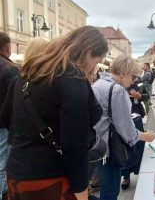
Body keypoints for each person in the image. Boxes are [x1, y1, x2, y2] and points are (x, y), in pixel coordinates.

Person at [1, 26, 108, 200]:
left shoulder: (29, 71)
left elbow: (6, 118)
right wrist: (81, 192)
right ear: (88, 52)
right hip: (50, 179)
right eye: (96, 62)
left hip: (17, 174)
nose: (93, 69)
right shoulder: (73, 78)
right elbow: (75, 143)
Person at [92, 54, 155, 200]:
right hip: (110, 148)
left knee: (106, 189)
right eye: (133, 77)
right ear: (123, 74)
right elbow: (125, 128)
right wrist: (143, 136)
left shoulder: (97, 84)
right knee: (110, 192)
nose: (133, 81)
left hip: (97, 146)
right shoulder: (117, 90)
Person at [121, 76, 149, 190]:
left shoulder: (140, 83)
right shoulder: (120, 83)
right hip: (123, 117)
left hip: (137, 115)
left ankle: (141, 171)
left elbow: (146, 96)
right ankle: (126, 177)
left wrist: (139, 96)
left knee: (139, 144)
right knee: (126, 146)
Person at [0, 32, 18, 200]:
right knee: (2, 164)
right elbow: (16, 102)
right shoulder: (10, 69)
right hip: (4, 125)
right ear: (7, 47)